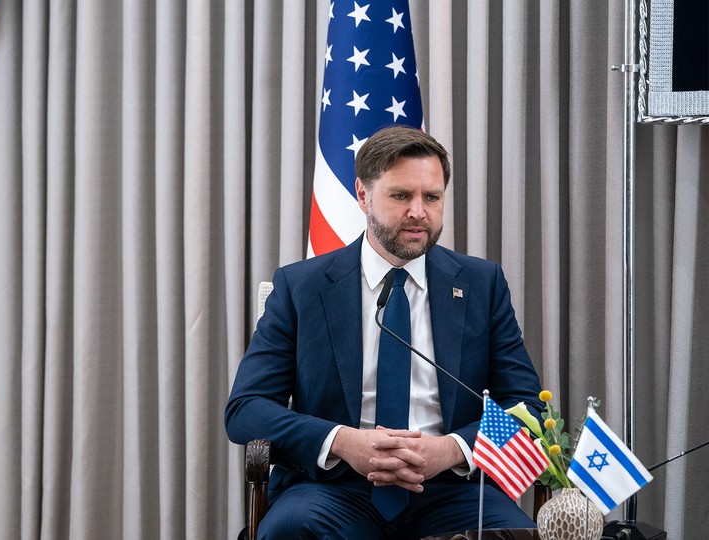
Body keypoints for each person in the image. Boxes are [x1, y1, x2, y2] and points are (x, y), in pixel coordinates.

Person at [225, 126, 543, 539]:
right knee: (290, 529)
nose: (418, 211)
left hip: (451, 488)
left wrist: (450, 449)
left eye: (431, 197)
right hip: (335, 489)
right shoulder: (301, 286)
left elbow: (528, 409)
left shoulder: (483, 285)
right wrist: (342, 441)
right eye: (400, 196)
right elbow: (246, 409)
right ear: (362, 194)